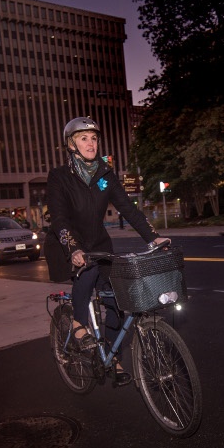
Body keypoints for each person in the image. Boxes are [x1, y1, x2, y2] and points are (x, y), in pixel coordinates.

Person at [45, 116, 170, 387]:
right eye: (83, 138)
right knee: (87, 272)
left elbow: (129, 209)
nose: (91, 143)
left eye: (94, 138)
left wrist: (154, 237)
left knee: (116, 303)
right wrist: (73, 247)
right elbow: (59, 219)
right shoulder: (60, 177)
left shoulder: (105, 175)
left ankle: (111, 356)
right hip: (68, 244)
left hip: (99, 243)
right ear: (71, 144)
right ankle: (79, 326)